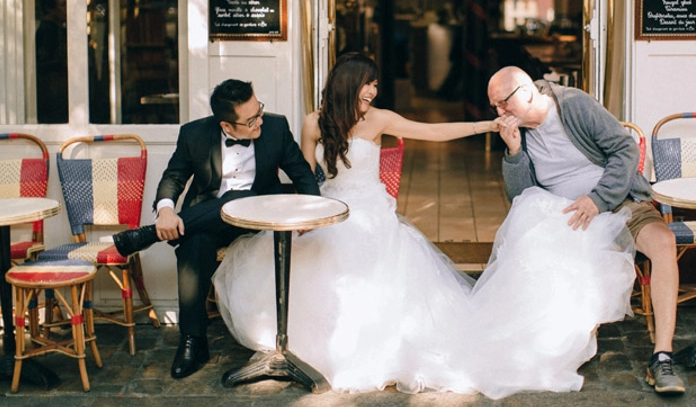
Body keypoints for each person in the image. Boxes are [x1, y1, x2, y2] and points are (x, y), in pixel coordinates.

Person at [213, 53, 498, 394]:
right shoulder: (313, 123)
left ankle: (358, 347)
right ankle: (293, 345)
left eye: (375, 84)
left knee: (358, 259)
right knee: (295, 259)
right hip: (328, 207)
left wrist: (486, 126)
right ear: (348, 83)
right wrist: (307, 213)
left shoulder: (379, 119)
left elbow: (432, 132)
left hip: (369, 211)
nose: (374, 91)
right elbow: (305, 175)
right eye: (369, 83)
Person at [487, 66, 685, 395]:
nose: (499, 112)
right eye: (494, 107)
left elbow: (625, 149)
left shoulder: (573, 105)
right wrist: (514, 151)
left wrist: (598, 200)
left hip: (618, 201)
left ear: (525, 92)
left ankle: (662, 357)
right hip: (565, 217)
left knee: (664, 243)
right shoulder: (520, 131)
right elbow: (521, 198)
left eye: (503, 103)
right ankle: (558, 342)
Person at [112, 79, 319, 379]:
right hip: (209, 221)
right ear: (226, 125)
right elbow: (173, 177)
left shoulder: (275, 127)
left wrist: (311, 212)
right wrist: (166, 211)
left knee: (241, 198)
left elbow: (302, 172)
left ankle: (149, 235)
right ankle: (192, 340)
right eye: (251, 120)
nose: (260, 120)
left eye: (259, 110)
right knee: (193, 246)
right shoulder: (194, 134)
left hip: (257, 220)